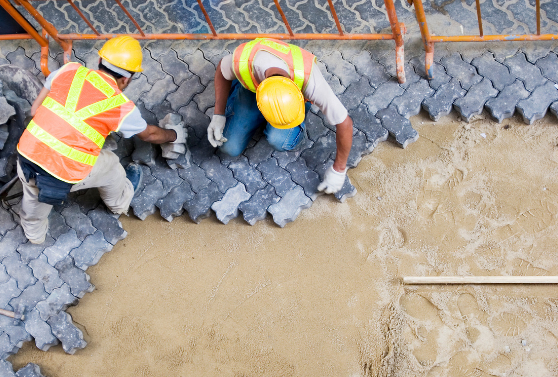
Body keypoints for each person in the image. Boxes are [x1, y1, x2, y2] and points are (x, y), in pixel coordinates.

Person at [17, 35, 187, 244]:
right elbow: (150, 134)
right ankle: (119, 203)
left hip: (27, 154)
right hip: (63, 174)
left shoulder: (69, 70)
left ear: (99, 62)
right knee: (111, 165)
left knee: (33, 197)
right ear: (126, 79)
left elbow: (35, 111)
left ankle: (34, 235)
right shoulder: (121, 106)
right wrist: (175, 135)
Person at [207, 38, 354, 194]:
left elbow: (345, 123)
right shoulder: (243, 61)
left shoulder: (311, 81)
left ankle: (295, 111)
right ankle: (239, 88)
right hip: (253, 89)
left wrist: (339, 170)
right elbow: (221, 72)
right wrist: (219, 114)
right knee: (229, 147)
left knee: (280, 141)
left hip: (290, 88)